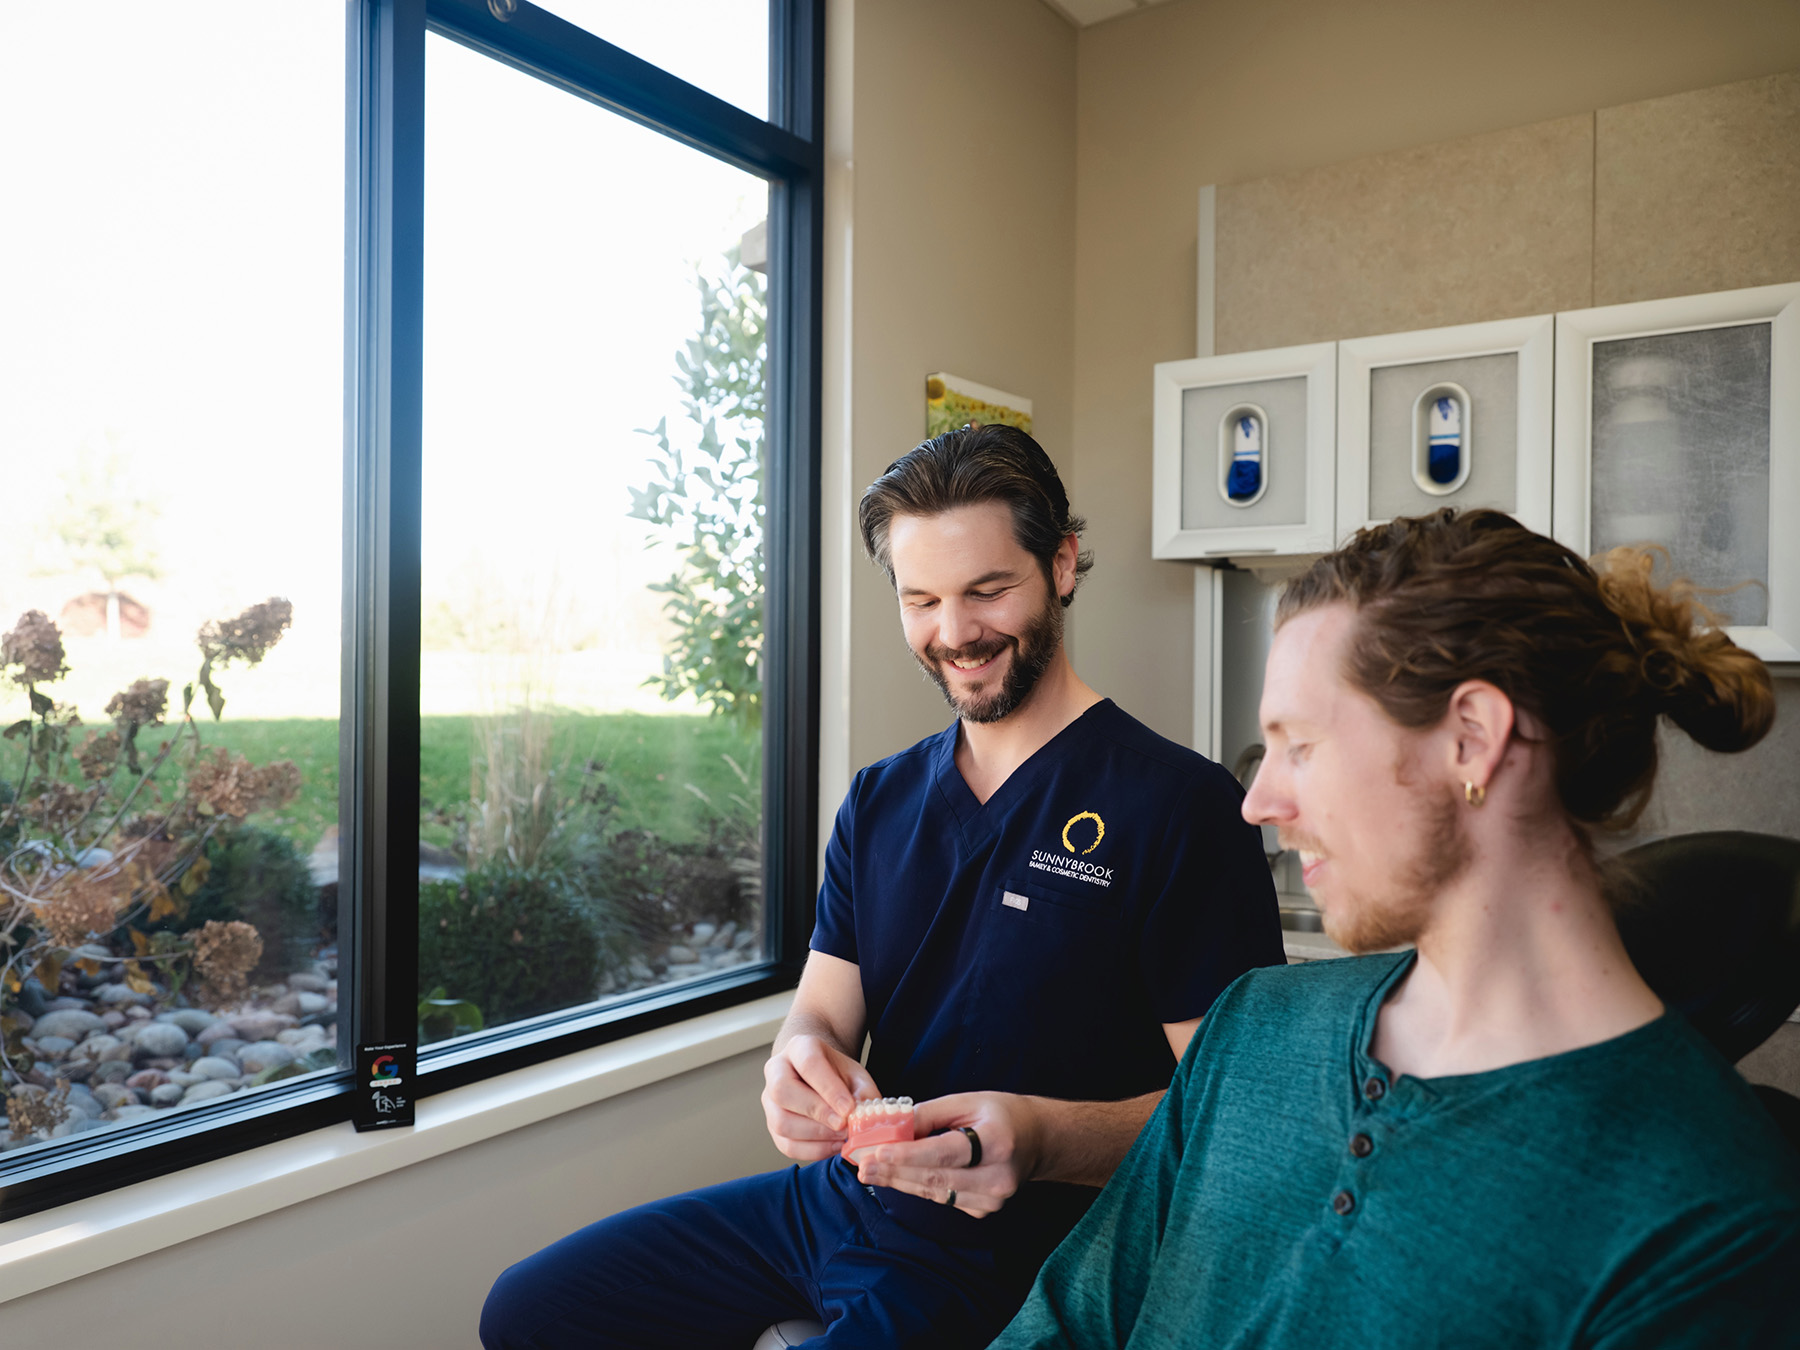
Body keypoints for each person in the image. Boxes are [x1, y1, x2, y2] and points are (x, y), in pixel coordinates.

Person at [479, 424, 1284, 1348]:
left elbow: (1232, 1116)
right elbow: (822, 1014)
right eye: (922, 600)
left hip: (1024, 1250)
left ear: (1061, 564)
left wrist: (1042, 1138)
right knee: (532, 1311)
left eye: (988, 591)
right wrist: (796, 1068)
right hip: (847, 1202)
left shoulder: (1178, 807)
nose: (954, 634)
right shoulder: (881, 799)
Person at [991, 508, 1800, 1349]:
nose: (1258, 803)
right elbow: (1070, 1324)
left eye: (1299, 744)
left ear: (1472, 739)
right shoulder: (1252, 1030)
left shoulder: (1710, 1223)